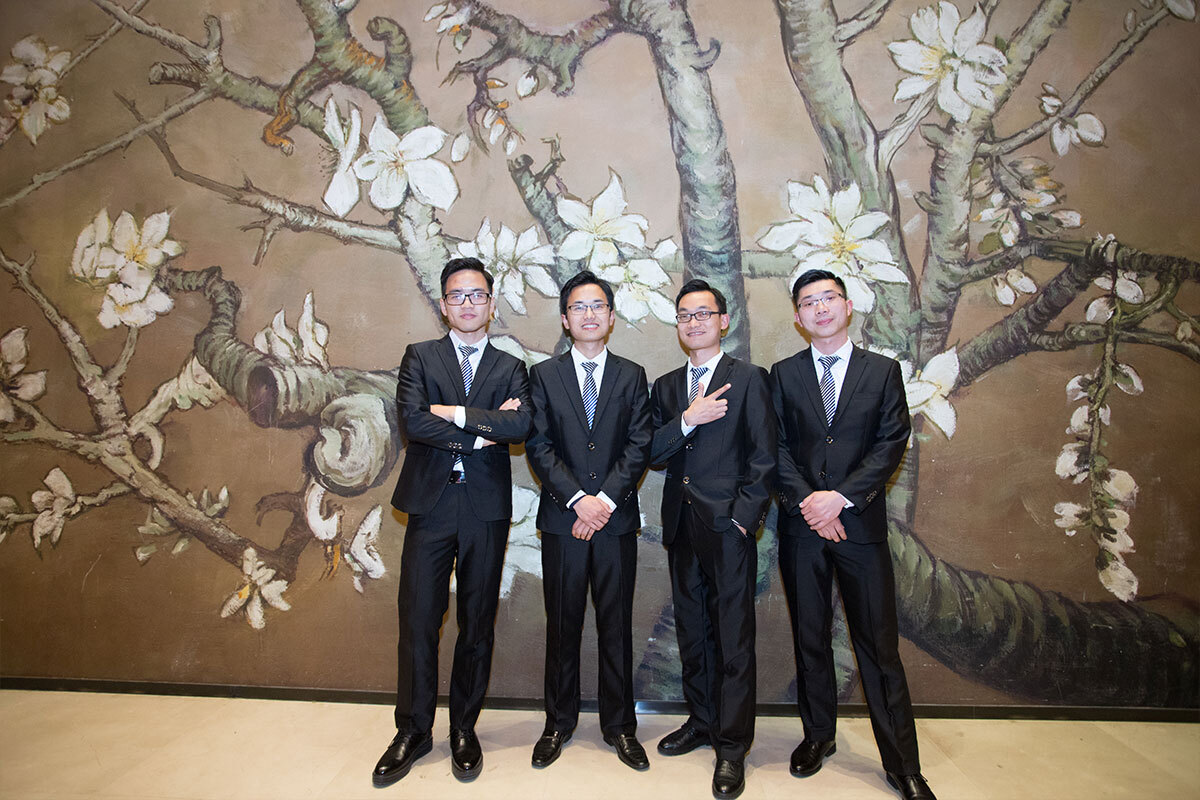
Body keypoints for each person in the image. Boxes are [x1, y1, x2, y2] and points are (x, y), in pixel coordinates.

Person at [770, 268, 935, 800]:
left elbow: (891, 442)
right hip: (802, 529)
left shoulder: (882, 371)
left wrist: (838, 498)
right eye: (808, 302)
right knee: (810, 638)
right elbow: (775, 447)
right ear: (798, 317)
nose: (820, 308)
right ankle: (818, 736)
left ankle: (903, 764)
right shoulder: (783, 374)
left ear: (847, 306)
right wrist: (811, 503)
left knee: (878, 646)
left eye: (829, 298)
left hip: (858, 527)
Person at [373, 257, 533, 788]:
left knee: (477, 622)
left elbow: (520, 424)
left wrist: (454, 414)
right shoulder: (420, 356)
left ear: (491, 303)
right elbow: (414, 422)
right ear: (444, 305)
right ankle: (413, 730)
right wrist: (482, 434)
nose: (468, 304)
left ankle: (464, 728)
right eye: (457, 296)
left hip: (484, 509)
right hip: (432, 504)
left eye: (477, 295)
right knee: (418, 619)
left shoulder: (511, 366)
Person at [649, 278, 776, 800]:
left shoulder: (749, 378)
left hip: (728, 528)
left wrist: (744, 520)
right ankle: (701, 720)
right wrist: (686, 419)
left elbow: (765, 457)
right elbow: (652, 451)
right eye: (685, 315)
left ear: (724, 321)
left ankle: (732, 745)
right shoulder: (666, 387)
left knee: (732, 638)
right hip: (681, 526)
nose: (694, 322)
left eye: (703, 313)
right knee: (692, 632)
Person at [525, 270, 653, 771]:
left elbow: (639, 444)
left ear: (612, 316)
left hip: (615, 524)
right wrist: (579, 500)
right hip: (564, 522)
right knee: (563, 625)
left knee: (616, 626)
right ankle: (557, 723)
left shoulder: (632, 375)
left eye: (598, 305)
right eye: (578, 307)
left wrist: (603, 503)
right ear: (565, 319)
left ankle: (620, 727)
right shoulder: (543, 375)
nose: (589, 314)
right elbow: (539, 445)